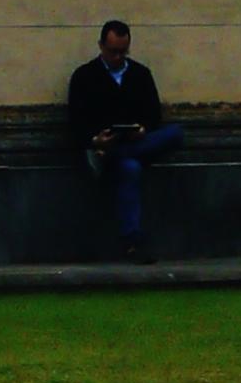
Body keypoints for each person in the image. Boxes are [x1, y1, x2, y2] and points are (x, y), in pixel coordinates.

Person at [64, 20, 181, 253]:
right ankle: (133, 239)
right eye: (112, 51)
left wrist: (142, 129)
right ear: (101, 46)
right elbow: (76, 121)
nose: (117, 57)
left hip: (131, 144)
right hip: (104, 143)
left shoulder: (140, 74)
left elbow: (153, 115)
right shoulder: (85, 76)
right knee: (130, 168)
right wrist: (95, 140)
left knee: (175, 133)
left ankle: (112, 155)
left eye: (122, 52)